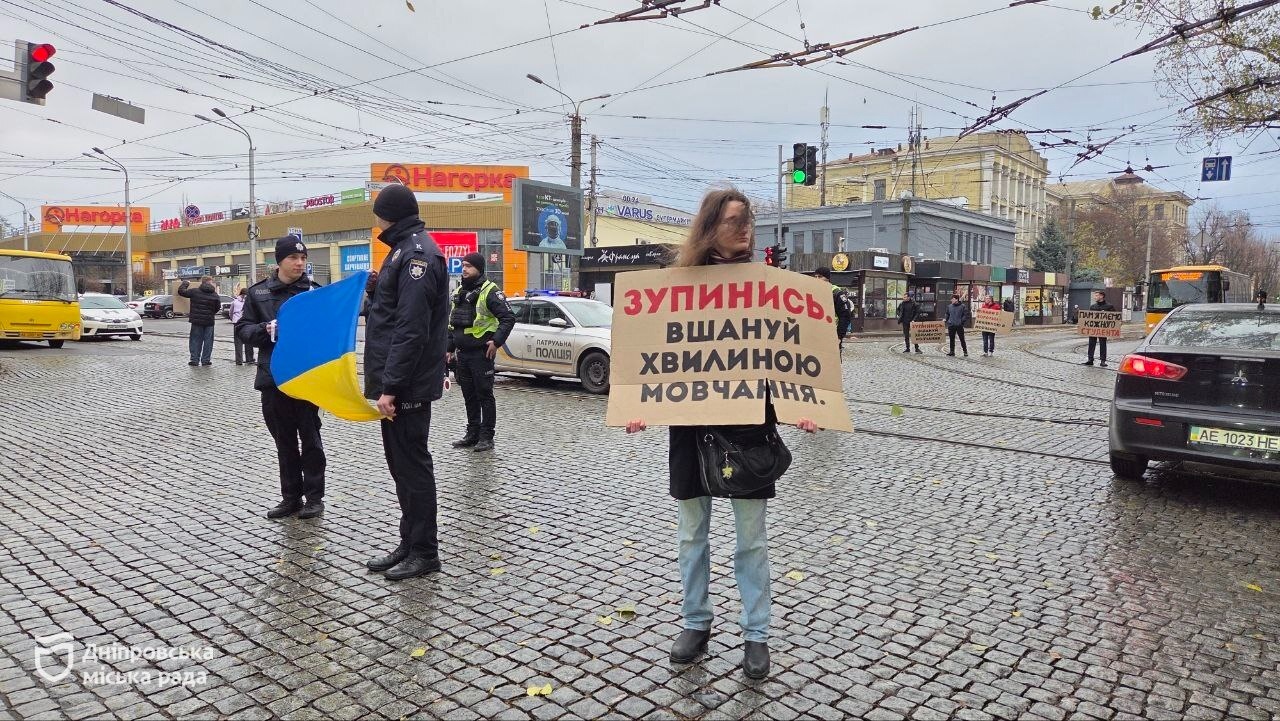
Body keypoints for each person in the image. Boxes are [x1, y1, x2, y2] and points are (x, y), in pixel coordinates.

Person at [623, 188, 821, 681]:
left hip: (748, 431)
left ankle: (756, 633)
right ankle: (696, 622)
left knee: (750, 540)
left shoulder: (766, 287)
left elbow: (784, 355)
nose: (745, 229)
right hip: (690, 431)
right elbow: (659, 352)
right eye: (734, 221)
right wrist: (636, 403)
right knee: (692, 535)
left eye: (748, 220)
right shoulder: (679, 287)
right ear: (710, 227)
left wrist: (802, 403)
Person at [363, 183, 450, 581]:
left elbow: (411, 329)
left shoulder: (416, 254)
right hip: (397, 381)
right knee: (400, 467)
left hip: (407, 387)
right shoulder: (402, 250)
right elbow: (391, 312)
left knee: (413, 468)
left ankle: (425, 552)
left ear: (389, 213)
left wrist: (391, 387)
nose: (374, 217)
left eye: (377, 211)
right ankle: (409, 542)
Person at [235, 236, 327, 520]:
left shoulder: (314, 292)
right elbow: (243, 330)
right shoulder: (258, 293)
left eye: (303, 258)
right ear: (279, 261)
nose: (300, 263)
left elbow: (327, 331)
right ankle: (290, 497)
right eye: (293, 258)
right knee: (284, 441)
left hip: (306, 377)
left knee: (310, 439)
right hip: (273, 379)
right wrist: (266, 329)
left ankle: (314, 498)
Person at [448, 253, 516, 453]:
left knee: (485, 395)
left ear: (479, 268)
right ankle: (472, 433)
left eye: (469, 266)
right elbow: (453, 323)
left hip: (481, 353)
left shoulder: (490, 291)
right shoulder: (459, 291)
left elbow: (508, 318)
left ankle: (487, 437)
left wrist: (496, 341)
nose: (464, 269)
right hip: (463, 353)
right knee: (469, 395)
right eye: (463, 266)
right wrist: (449, 348)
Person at [177, 276, 220, 366]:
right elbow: (217, 308)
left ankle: (194, 360)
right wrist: (210, 313)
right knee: (208, 341)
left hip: (196, 321)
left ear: (202, 282)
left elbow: (181, 291)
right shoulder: (215, 294)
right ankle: (206, 360)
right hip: (209, 321)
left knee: (195, 340)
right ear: (210, 283)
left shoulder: (195, 291)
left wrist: (186, 283)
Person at [813, 267, 852, 351]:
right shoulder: (812, 291)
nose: (816, 279)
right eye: (815, 277)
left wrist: (839, 336)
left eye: (820, 277)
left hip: (832, 334)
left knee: (831, 361)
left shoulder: (836, 293)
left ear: (827, 278)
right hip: (815, 334)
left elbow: (845, 316)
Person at [1082, 290, 1115, 367]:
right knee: (1091, 343)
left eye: (1096, 295)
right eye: (1095, 295)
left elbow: (1114, 317)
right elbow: (1089, 317)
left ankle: (1103, 361)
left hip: (1103, 328)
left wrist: (1106, 314)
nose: (1095, 297)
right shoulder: (1093, 306)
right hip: (1093, 328)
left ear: (1101, 296)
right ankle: (1090, 359)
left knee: (1103, 344)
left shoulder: (1109, 306)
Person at [230, 288, 255, 366]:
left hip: (236, 323)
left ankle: (239, 361)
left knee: (238, 343)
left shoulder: (235, 301)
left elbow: (231, 312)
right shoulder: (250, 301)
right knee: (248, 341)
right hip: (247, 322)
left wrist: (233, 319)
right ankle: (249, 359)